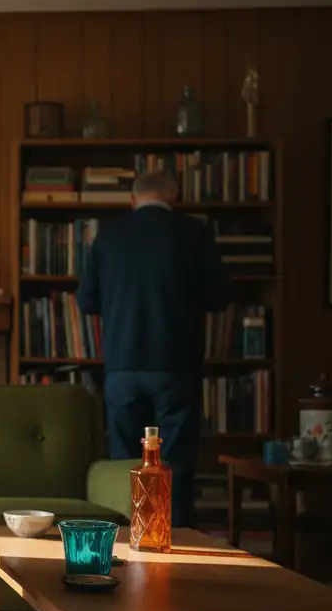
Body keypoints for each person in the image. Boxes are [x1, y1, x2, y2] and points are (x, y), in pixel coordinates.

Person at [77, 169, 232, 528]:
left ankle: (128, 540)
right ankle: (173, 540)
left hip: (122, 365)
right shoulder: (193, 233)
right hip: (175, 365)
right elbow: (220, 296)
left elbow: (86, 301)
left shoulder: (108, 237)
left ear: (133, 199)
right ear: (173, 197)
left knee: (124, 462)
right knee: (173, 460)